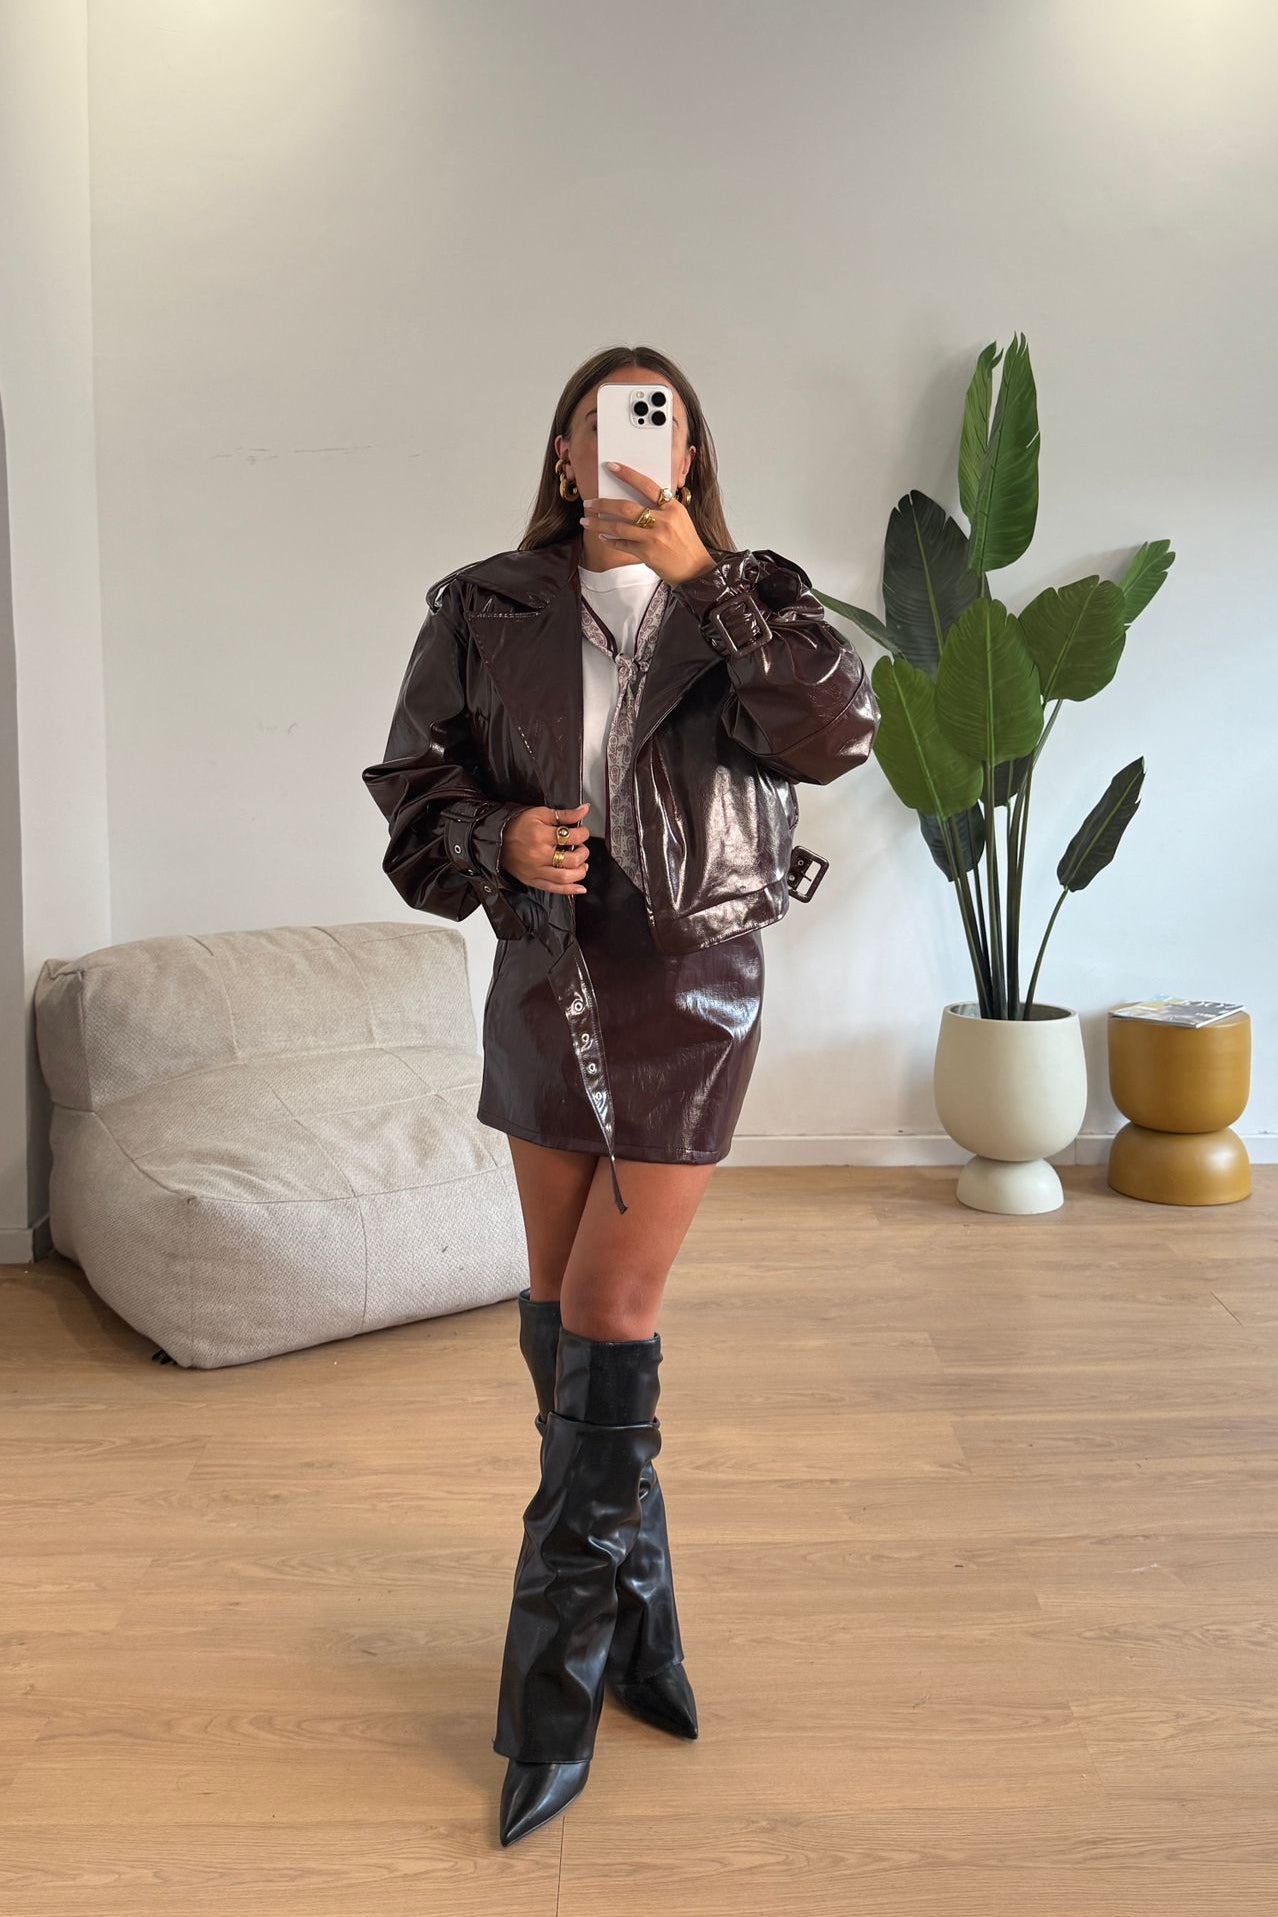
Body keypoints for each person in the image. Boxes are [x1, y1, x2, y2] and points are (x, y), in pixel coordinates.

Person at [362, 346, 879, 1846]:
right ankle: (643, 1633)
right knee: (560, 1317)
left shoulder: (752, 599)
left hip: (690, 989)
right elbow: (414, 787)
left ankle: (548, 1705)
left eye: (659, 423)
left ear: (690, 453)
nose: (632, 446)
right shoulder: (484, 604)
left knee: (608, 1304)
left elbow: (833, 736)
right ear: (564, 451)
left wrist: (711, 581)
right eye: (605, 423)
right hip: (544, 977)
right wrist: (501, 841)